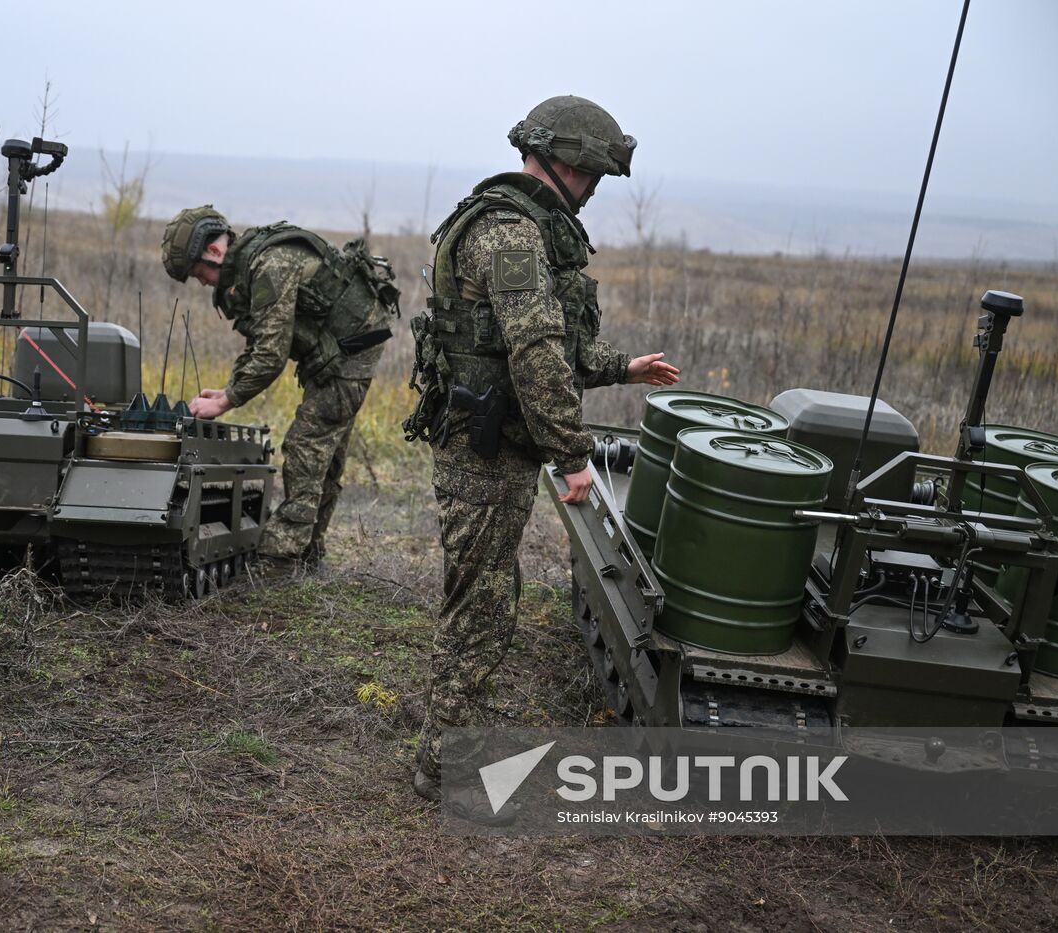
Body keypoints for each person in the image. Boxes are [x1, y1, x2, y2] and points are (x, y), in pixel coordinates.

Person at [403, 95, 680, 816]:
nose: (594, 191)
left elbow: (549, 345)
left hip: (492, 450)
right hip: (486, 454)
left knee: (483, 599)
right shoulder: (512, 235)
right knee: (481, 609)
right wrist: (572, 454)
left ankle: (446, 740)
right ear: (570, 163)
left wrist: (623, 367)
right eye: (594, 175)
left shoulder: (518, 226)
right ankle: (444, 767)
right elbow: (533, 357)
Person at [160, 207, 399, 569]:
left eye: (199, 273)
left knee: (306, 447)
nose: (204, 282)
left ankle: (281, 558)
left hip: (351, 353)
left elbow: (271, 355)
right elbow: (261, 340)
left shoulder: (271, 266)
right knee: (324, 454)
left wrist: (228, 399)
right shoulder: (251, 268)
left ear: (213, 252)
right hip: (338, 350)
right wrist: (227, 388)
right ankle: (309, 551)